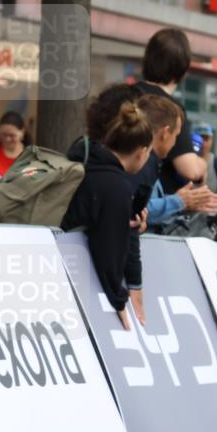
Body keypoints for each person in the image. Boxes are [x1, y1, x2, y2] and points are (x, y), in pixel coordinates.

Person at [62, 100, 153, 329]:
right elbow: (108, 252)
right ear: (141, 153)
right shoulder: (116, 186)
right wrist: (118, 300)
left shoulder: (86, 159)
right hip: (65, 275)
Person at [135, 28, 207, 191]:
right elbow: (190, 170)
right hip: (151, 199)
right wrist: (203, 165)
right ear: (183, 67)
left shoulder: (124, 94)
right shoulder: (171, 110)